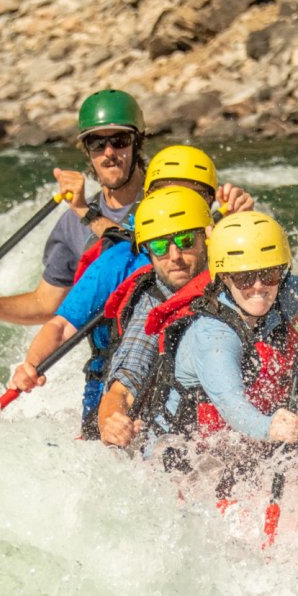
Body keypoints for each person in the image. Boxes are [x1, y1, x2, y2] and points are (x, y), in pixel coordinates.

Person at [5, 145, 252, 437]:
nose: (178, 203)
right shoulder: (120, 260)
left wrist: (245, 225)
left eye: (194, 195)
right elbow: (61, 327)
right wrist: (31, 365)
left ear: (209, 202)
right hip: (115, 389)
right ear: (148, 199)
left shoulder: (219, 243)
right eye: (166, 193)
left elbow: (266, 289)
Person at [131, 183, 298, 487]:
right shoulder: (213, 337)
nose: (258, 287)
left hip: (231, 449)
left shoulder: (277, 294)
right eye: (244, 277)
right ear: (224, 277)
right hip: (179, 466)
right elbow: (232, 405)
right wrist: (271, 428)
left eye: (269, 274)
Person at [0, 89, 148, 324]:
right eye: (97, 143)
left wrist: (85, 213)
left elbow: (146, 258)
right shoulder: (71, 224)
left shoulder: (165, 198)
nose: (109, 153)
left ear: (137, 142)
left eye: (120, 141)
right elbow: (45, 305)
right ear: (87, 150)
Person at [92, 187, 213, 447]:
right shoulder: (152, 305)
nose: (175, 257)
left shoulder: (241, 278)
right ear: (148, 252)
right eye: (160, 246)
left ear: (207, 237)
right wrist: (112, 421)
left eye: (185, 241)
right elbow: (121, 390)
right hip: (180, 444)